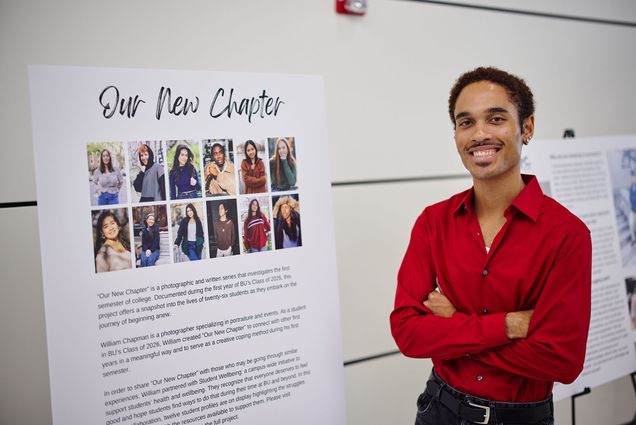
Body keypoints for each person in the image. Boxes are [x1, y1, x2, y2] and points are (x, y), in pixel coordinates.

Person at [390, 67, 592, 425]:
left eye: (496, 119)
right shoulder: (433, 222)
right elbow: (409, 333)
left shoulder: (567, 235)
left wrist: (453, 324)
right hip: (439, 408)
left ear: (526, 128)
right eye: (465, 122)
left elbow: (562, 360)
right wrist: (510, 325)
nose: (479, 134)